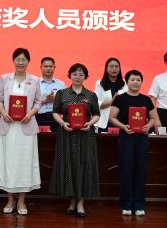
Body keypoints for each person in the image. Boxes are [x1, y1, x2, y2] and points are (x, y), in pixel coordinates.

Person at [0, 48, 41, 215]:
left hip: (26, 128)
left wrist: (30, 114)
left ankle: (21, 200)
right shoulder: (5, 78)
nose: (21, 62)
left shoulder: (35, 80)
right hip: (8, 127)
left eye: (24, 59)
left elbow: (38, 102)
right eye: (18, 59)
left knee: (24, 163)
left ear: (28, 62)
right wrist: (3, 113)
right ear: (13, 61)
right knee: (8, 162)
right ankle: (10, 199)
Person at [50, 63, 100, 218]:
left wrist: (90, 123)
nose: (77, 77)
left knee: (84, 165)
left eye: (81, 74)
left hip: (85, 135)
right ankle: (72, 201)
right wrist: (62, 123)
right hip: (67, 134)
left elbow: (96, 114)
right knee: (69, 164)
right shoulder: (62, 93)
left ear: (85, 77)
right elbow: (55, 112)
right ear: (69, 75)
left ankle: (80, 203)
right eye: (74, 74)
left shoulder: (91, 95)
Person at [109, 70, 158, 216]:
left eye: (138, 80)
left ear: (141, 82)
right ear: (127, 82)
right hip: (126, 137)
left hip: (142, 139)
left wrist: (148, 126)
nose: (135, 82)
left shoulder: (146, 100)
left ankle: (139, 205)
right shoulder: (120, 99)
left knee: (140, 171)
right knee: (126, 171)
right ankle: (127, 204)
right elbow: (112, 117)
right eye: (132, 80)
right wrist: (123, 126)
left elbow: (153, 118)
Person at [94, 57, 126, 132]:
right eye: (111, 66)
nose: (114, 68)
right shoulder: (99, 84)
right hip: (104, 121)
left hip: (121, 121)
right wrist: (112, 101)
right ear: (106, 68)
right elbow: (95, 104)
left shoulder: (126, 83)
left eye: (116, 66)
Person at [35, 57, 66, 131]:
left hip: (56, 117)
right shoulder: (35, 83)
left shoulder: (61, 84)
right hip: (39, 116)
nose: (48, 68)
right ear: (41, 67)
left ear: (54, 67)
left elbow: (65, 103)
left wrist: (56, 99)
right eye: (46, 66)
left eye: (50, 66)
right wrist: (44, 100)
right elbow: (30, 103)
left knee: (57, 138)